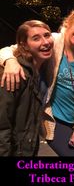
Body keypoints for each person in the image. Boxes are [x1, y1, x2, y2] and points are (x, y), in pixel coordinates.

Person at [0, 6, 74, 156]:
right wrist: (10, 60)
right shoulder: (51, 40)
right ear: (69, 22)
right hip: (57, 119)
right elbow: (10, 49)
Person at [0, 20, 54, 156]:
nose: (45, 42)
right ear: (24, 45)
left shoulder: (39, 70)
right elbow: (3, 124)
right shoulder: (16, 74)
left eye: (47, 35)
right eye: (36, 38)